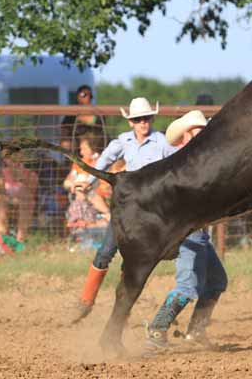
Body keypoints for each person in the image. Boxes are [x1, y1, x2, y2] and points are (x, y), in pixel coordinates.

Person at [71, 97, 177, 323]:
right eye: (138, 119)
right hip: (128, 208)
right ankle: (86, 301)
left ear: (152, 119)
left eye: (146, 118)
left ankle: (121, 311)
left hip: (152, 212)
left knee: (132, 262)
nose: (143, 123)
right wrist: (88, 180)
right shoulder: (123, 142)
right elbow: (104, 161)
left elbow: (177, 166)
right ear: (131, 122)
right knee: (105, 251)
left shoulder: (162, 142)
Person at [145, 109, 227, 351]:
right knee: (186, 285)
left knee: (216, 280)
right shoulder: (184, 164)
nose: (201, 136)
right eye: (196, 132)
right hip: (186, 230)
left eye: (203, 132)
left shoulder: (197, 161)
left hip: (196, 230)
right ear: (183, 137)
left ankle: (195, 332)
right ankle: (157, 330)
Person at [0, 156, 39, 244]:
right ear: (5, 160)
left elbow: (31, 193)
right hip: (7, 203)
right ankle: (2, 238)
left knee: (26, 201)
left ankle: (20, 239)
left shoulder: (30, 174)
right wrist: (11, 200)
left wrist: (22, 179)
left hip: (25, 204)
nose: (14, 161)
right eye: (10, 158)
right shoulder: (0, 174)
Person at [60, 85, 106, 153]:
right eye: (83, 94)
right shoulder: (71, 115)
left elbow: (100, 132)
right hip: (76, 145)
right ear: (77, 96)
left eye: (90, 95)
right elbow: (64, 131)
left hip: (93, 145)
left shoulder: (98, 115)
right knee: (66, 143)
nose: (87, 97)